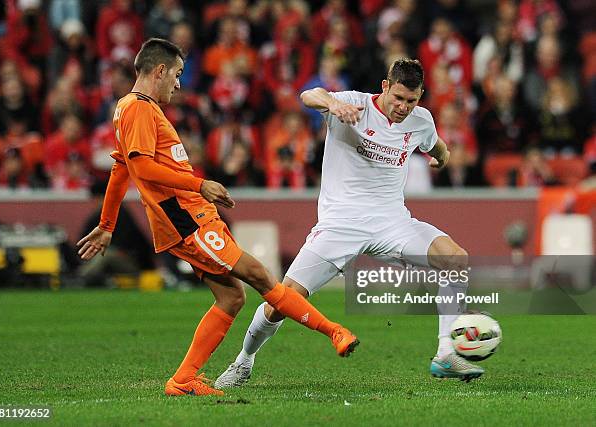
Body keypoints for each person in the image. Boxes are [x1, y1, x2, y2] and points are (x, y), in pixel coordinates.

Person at [76, 38, 359, 397]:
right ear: (159, 71)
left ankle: (183, 380)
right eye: (177, 74)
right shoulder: (139, 109)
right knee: (258, 275)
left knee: (231, 297)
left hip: (188, 217)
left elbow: (121, 169)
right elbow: (142, 168)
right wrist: (200, 184)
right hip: (186, 219)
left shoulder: (128, 109)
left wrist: (106, 225)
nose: (179, 84)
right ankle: (334, 331)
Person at [216, 59, 485, 388]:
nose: (402, 107)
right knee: (281, 301)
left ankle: (446, 354)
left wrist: (439, 158)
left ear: (420, 97)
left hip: (392, 222)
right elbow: (308, 95)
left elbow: (438, 147)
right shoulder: (354, 103)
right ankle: (243, 361)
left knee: (454, 258)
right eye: (397, 98)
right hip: (340, 223)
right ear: (385, 86)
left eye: (411, 101)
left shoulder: (421, 120)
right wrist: (332, 104)